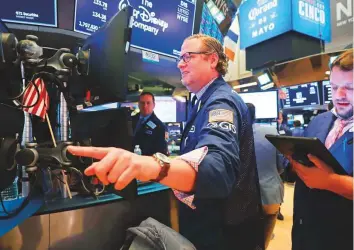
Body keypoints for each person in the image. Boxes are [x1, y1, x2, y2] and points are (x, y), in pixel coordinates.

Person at [68, 34, 264, 250]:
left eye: (188, 57)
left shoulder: (221, 101)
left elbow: (217, 171)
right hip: (216, 226)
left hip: (227, 234)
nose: (180, 63)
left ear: (212, 59)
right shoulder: (202, 101)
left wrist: (153, 166)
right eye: (180, 58)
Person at [288, 49, 353, 250]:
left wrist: (331, 182)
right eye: (334, 87)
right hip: (305, 233)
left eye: (349, 88)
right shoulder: (319, 121)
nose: (339, 96)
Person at [246, 103, 284, 249]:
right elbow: (280, 165)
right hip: (271, 193)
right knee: (265, 235)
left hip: (242, 196)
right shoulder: (271, 131)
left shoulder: (233, 136)